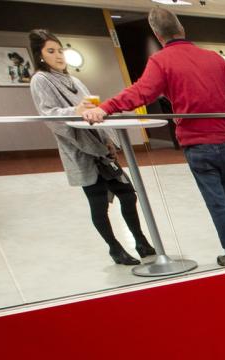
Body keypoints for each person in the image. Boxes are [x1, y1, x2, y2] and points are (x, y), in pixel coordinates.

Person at [81, 8, 225, 266]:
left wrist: (104, 108)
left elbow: (139, 93)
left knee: (217, 202)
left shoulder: (161, 61)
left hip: (198, 144)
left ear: (157, 34)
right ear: (182, 29)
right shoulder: (214, 59)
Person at [28, 29, 153, 266]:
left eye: (60, 50)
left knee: (128, 194)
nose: (58, 56)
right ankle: (114, 248)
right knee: (97, 202)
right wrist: (74, 112)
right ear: (40, 55)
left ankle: (141, 240)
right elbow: (49, 115)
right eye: (51, 51)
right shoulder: (41, 80)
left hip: (100, 149)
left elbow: (94, 112)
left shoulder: (74, 80)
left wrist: (107, 140)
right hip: (80, 151)